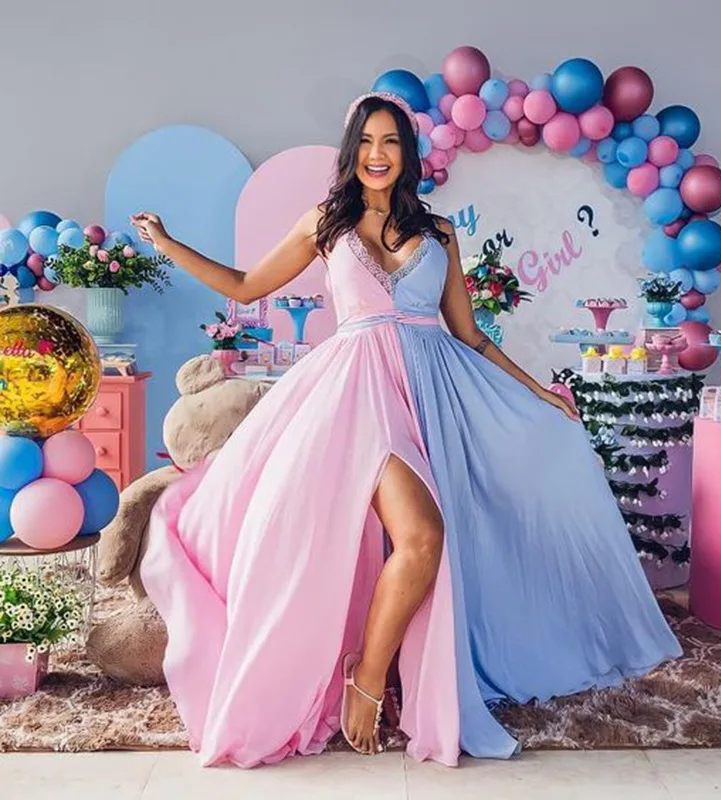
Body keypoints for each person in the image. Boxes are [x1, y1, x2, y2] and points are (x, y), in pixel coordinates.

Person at [132, 91, 681, 769]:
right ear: (351, 151)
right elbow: (245, 286)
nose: (377, 155)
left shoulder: (442, 232)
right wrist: (166, 244)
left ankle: (375, 671)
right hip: (355, 397)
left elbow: (470, 334)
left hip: (433, 395)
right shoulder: (324, 225)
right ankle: (365, 678)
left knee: (427, 540)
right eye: (366, 142)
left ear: (408, 153)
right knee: (421, 537)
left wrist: (538, 391)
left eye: (390, 142)